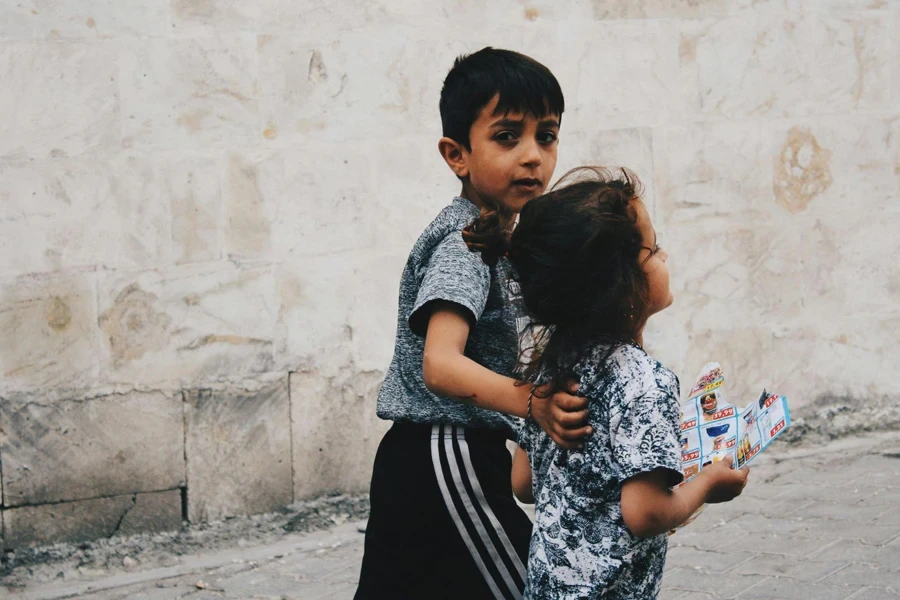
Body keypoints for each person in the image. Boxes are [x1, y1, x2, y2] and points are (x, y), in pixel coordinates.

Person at [355, 48, 590, 600]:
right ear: (456, 154)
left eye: (547, 136)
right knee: (535, 590)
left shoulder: (496, 233)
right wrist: (534, 402)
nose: (533, 156)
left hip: (435, 459)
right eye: (508, 137)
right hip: (446, 453)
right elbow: (440, 362)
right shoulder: (465, 243)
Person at [468, 166, 751, 599]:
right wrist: (708, 483)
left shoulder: (550, 370)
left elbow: (523, 482)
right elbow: (645, 512)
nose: (665, 257)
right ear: (621, 285)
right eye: (653, 250)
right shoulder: (645, 382)